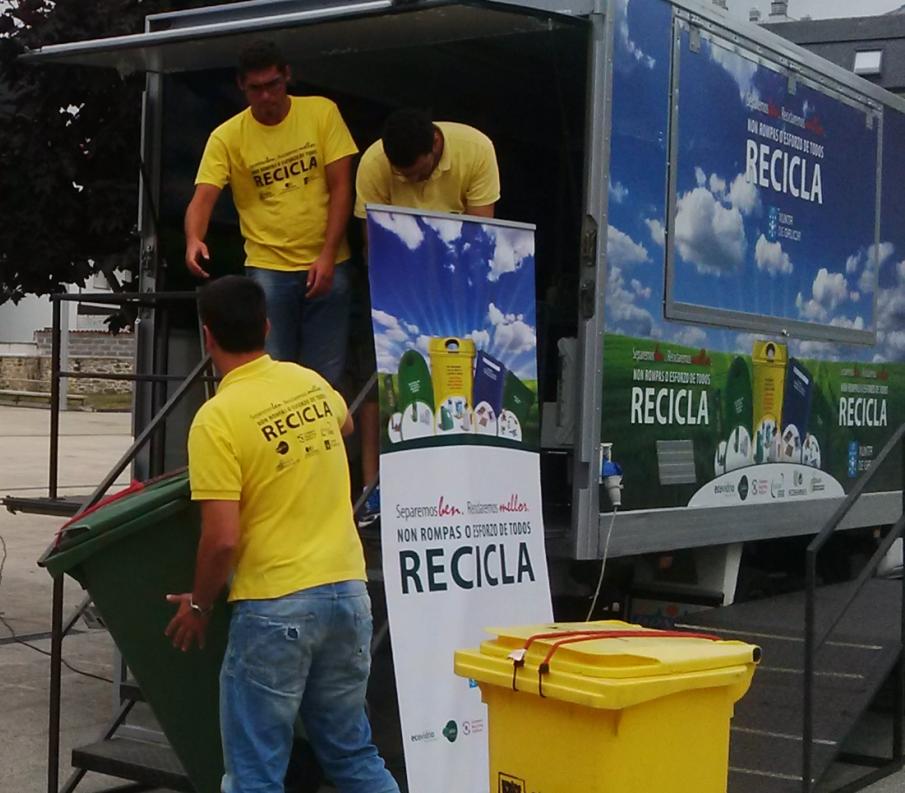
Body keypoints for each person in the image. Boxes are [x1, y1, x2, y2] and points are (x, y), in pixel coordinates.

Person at [165, 275, 399, 793]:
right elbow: (343, 425)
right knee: (352, 755)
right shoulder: (311, 383)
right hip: (347, 596)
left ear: (208, 337)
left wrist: (200, 606)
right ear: (267, 327)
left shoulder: (216, 420)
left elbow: (222, 538)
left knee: (253, 776)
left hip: (276, 609)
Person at [352, 109, 501, 525]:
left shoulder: (476, 150)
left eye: (417, 175)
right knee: (382, 384)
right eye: (403, 178)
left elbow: (479, 239)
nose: (412, 184)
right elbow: (373, 245)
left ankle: (449, 491)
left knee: (453, 386)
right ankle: (373, 490)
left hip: (454, 289)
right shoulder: (374, 164)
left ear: (436, 146)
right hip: (395, 285)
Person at [184, 41, 358, 386]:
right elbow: (203, 196)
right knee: (269, 373)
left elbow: (341, 188)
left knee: (324, 377)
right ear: (241, 86)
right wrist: (193, 239)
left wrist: (326, 256)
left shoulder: (321, 112)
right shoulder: (227, 136)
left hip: (328, 262)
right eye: (256, 88)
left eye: (273, 85)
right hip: (269, 266)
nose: (266, 96)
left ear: (287, 76)